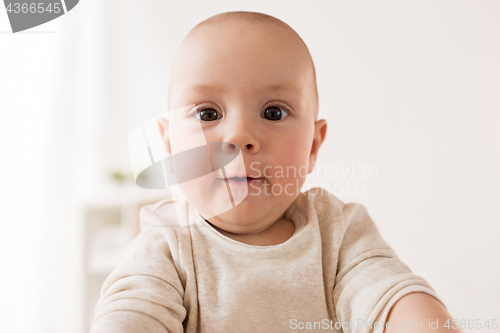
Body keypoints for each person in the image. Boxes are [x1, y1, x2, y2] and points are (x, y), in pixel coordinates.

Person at [90, 11, 462, 333]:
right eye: (208, 114)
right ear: (170, 147)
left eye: (273, 113)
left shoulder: (339, 233)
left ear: (313, 146)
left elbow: (385, 292)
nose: (238, 136)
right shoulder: (165, 246)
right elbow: (133, 310)